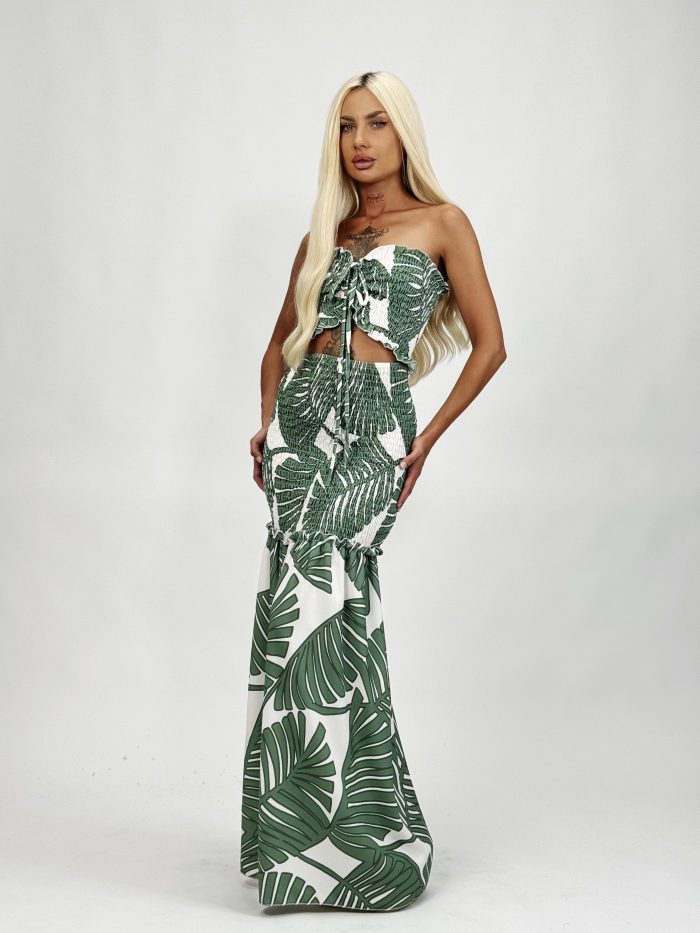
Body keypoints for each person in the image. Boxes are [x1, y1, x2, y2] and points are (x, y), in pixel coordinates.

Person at [240, 70, 506, 912]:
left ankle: (361, 836)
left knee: (340, 605)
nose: (360, 141)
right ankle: (293, 846)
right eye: (348, 126)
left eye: (378, 124)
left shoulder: (443, 223)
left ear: (403, 134)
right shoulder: (326, 232)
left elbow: (491, 345)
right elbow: (278, 343)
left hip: (376, 424)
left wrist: (426, 436)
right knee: (296, 609)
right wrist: (267, 422)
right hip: (302, 425)